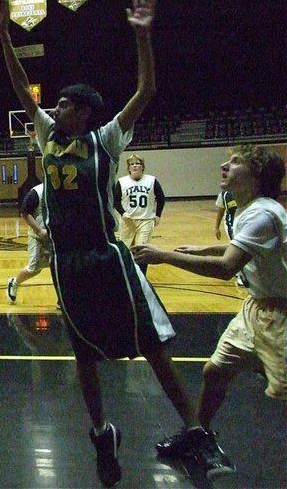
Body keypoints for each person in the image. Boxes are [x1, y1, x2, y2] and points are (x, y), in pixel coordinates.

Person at [0, 0, 205, 487]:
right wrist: (4, 37)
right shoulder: (47, 137)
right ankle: (101, 433)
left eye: (65, 102)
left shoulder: (105, 139)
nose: (54, 106)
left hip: (106, 255)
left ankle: (194, 429)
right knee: (83, 352)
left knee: (151, 343)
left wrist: (143, 36)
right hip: (67, 262)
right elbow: (22, 88)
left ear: (84, 112)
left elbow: (146, 90)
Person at [133, 145, 285, 477]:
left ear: (257, 175)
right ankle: (196, 437)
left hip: (281, 315)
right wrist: (202, 248)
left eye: (235, 162)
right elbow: (238, 248)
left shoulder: (262, 213)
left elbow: (226, 267)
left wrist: (165, 256)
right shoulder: (249, 209)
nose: (224, 164)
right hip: (256, 308)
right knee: (214, 372)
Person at [113, 154, 166, 274]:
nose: (135, 166)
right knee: (126, 250)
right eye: (132, 164)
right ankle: (128, 275)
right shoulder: (122, 182)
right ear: (128, 168)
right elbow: (115, 201)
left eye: (137, 163)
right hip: (128, 221)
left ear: (142, 166)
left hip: (145, 220)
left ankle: (142, 277)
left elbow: (161, 198)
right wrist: (122, 212)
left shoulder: (151, 180)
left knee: (142, 250)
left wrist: (158, 215)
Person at [6, 183, 50, 303]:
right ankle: (14, 283)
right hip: (38, 237)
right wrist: (39, 230)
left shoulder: (60, 191)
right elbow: (24, 213)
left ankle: (62, 299)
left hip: (56, 237)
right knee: (34, 268)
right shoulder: (36, 192)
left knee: (59, 267)